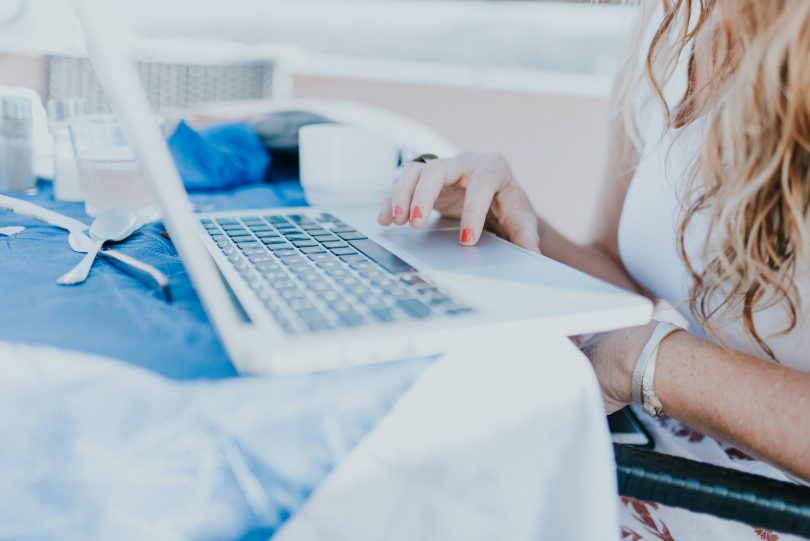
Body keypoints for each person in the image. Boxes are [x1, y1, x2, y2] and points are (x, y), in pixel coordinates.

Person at [377, 0, 810, 538]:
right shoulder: (670, 27)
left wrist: (649, 359)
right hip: (657, 443)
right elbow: (623, 279)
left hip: (768, 501)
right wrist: (511, 224)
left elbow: (636, 344)